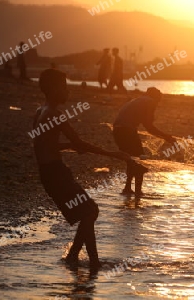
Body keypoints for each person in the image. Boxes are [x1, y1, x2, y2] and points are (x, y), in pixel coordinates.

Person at [33, 68, 131, 270]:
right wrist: (114, 155)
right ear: (53, 89)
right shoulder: (55, 114)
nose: (67, 91)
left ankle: (75, 256)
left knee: (88, 211)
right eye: (64, 87)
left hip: (49, 173)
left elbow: (43, 144)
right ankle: (91, 262)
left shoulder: (40, 111)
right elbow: (80, 143)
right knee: (90, 211)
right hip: (56, 173)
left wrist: (68, 147)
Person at [113, 87, 176, 197]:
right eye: (158, 100)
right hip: (127, 131)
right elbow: (149, 127)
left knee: (132, 159)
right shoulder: (150, 102)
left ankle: (127, 188)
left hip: (118, 131)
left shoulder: (138, 100)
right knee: (140, 161)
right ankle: (138, 193)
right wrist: (166, 137)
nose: (157, 104)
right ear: (155, 97)